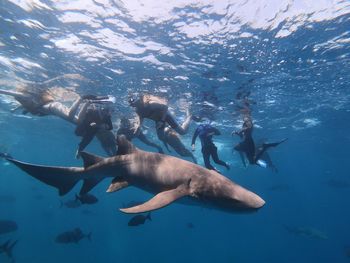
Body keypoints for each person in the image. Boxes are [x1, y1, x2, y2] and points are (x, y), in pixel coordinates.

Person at [0, 75, 117, 156]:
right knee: (78, 122)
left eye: (18, 98)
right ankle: (87, 102)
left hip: (53, 107)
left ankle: (82, 98)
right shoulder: (26, 102)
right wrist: (14, 109)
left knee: (70, 116)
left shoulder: (24, 96)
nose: (18, 99)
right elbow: (25, 106)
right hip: (53, 108)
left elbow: (9, 93)